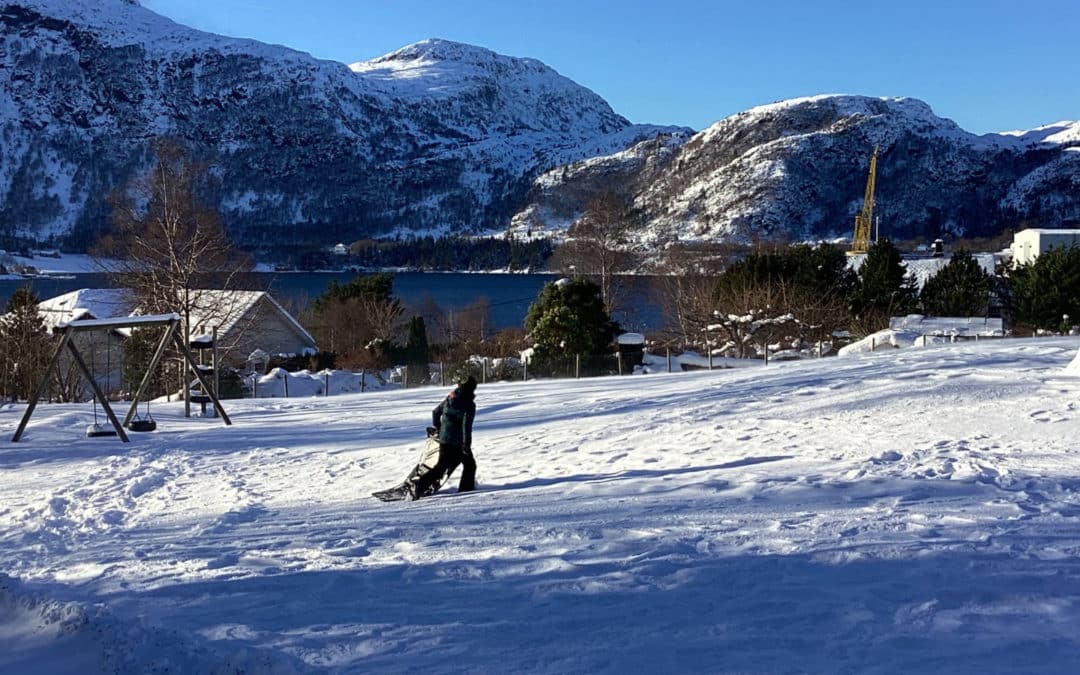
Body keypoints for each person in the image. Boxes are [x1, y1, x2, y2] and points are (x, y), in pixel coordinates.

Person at [409, 375, 477, 499]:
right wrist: (466, 445)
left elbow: (435, 412)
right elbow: (466, 426)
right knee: (469, 465)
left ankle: (421, 484)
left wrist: (439, 428)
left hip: (444, 439)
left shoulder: (450, 398)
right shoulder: (469, 405)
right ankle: (465, 490)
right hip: (457, 442)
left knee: (442, 467)